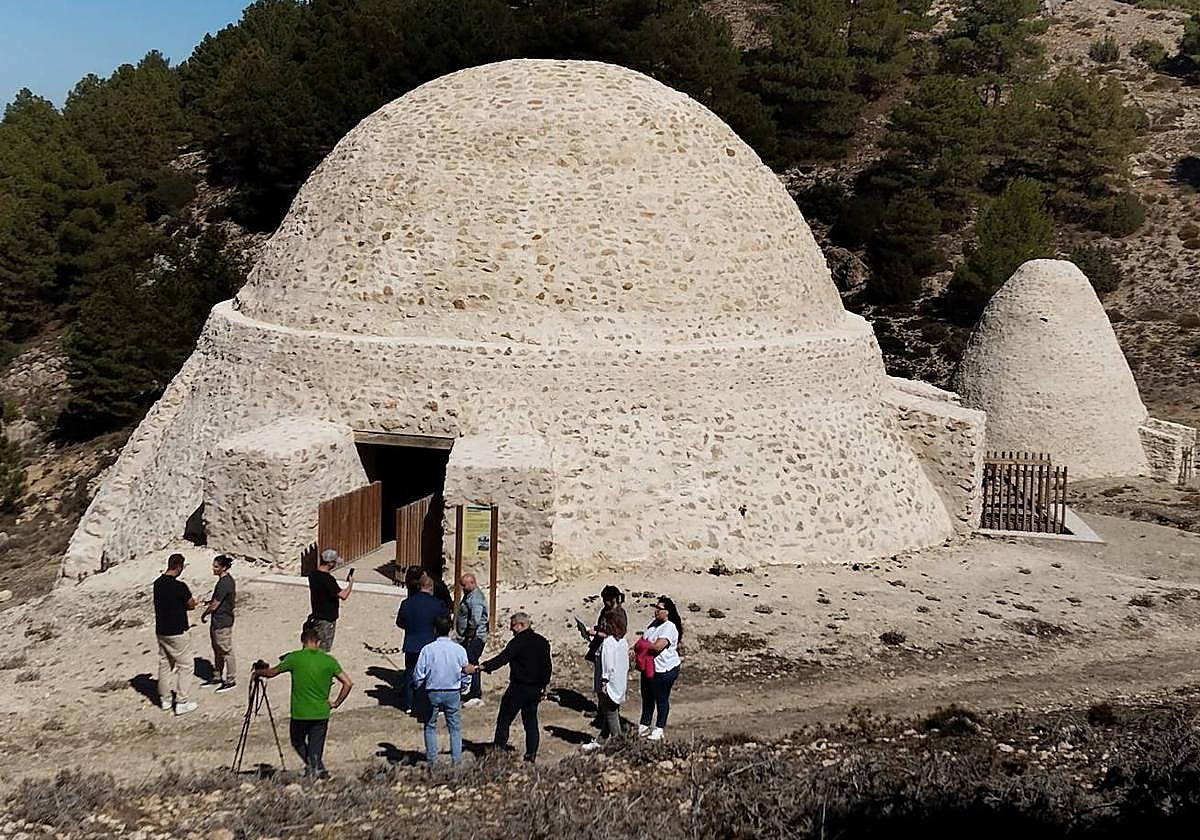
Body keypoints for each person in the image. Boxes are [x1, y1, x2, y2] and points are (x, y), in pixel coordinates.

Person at [253, 626, 353, 779]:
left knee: (297, 741)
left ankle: (316, 771)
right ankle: (318, 771)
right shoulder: (329, 660)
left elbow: (272, 673)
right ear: (318, 642)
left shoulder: (294, 658)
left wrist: (259, 672)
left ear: (302, 641)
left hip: (300, 712)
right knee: (316, 747)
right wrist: (336, 702)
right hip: (321, 711)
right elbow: (348, 683)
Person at [467, 612, 552, 762]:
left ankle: (498, 752)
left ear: (521, 625)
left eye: (513, 626)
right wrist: (543, 686)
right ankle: (530, 755)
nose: (511, 629)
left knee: (504, 720)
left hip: (518, 688)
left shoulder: (518, 642)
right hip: (535, 689)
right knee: (531, 723)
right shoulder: (542, 641)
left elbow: (502, 659)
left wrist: (482, 667)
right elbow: (547, 667)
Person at [412, 614, 471, 765]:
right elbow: (466, 671)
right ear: (451, 629)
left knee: (430, 725)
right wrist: (464, 687)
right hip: (453, 691)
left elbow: (419, 673)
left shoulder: (428, 649)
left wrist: (419, 688)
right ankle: (456, 760)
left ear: (434, 630)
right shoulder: (459, 650)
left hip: (433, 690)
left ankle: (432, 760)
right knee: (454, 727)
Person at [153, 553, 199, 715]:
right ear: (179, 566)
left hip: (161, 630)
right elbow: (190, 605)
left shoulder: (157, 584)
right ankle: (181, 701)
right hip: (177, 631)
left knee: (165, 664)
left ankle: (165, 699)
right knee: (186, 665)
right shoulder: (180, 587)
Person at [396, 572, 449, 712]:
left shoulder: (407, 603)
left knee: (411, 673)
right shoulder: (438, 604)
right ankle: (433, 703)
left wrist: (411, 628)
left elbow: (400, 622)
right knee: (433, 674)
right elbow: (444, 623)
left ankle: (409, 704)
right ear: (430, 588)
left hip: (412, 643)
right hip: (431, 644)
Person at [637, 596, 683, 741]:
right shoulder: (654, 624)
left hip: (665, 669)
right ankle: (644, 724)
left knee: (661, 698)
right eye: (656, 607)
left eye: (660, 608)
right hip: (649, 667)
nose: (656, 611)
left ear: (667, 612)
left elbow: (657, 646)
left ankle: (659, 727)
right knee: (647, 696)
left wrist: (643, 646)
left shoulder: (669, 627)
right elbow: (644, 639)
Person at [582, 610, 628, 752]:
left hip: (608, 681)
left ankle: (618, 742)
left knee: (610, 712)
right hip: (618, 681)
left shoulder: (608, 642)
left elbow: (608, 663)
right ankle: (602, 739)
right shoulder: (622, 641)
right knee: (611, 710)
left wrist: (604, 680)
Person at [200, 554, 237, 693]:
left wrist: (204, 613)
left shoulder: (225, 583)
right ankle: (217, 676)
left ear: (224, 567)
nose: (213, 568)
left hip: (223, 621)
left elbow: (215, 604)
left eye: (216, 566)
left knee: (226, 650)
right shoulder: (224, 581)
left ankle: (231, 679)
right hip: (218, 621)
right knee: (217, 650)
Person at [306, 549, 353, 651]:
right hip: (327, 619)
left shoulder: (312, 575)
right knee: (323, 649)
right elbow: (343, 595)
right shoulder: (328, 579)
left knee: (312, 645)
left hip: (316, 614)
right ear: (330, 563)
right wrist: (350, 584)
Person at [455, 572, 488, 707]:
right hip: (468, 636)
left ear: (472, 583)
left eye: (464, 585)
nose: (462, 587)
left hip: (475, 637)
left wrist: (469, 635)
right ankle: (472, 691)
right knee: (469, 661)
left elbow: (475, 619)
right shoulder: (469, 596)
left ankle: (475, 693)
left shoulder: (476, 598)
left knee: (472, 663)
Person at [584, 585, 627, 663]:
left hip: (611, 651)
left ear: (613, 599)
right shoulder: (605, 610)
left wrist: (596, 633)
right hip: (599, 647)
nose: (603, 602)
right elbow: (603, 627)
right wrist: (593, 629)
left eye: (605, 599)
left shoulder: (619, 614)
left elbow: (616, 635)